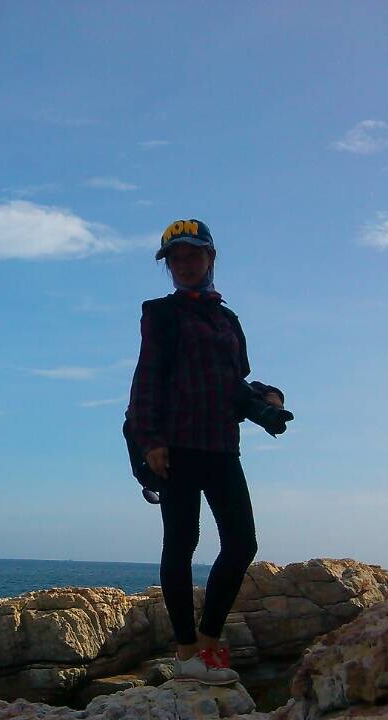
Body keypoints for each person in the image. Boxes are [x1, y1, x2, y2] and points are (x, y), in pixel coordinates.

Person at [125, 219, 286, 685]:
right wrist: (150, 441)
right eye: (176, 259)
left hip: (220, 445)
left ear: (210, 258)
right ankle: (186, 654)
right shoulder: (160, 313)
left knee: (242, 543)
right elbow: (147, 379)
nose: (185, 265)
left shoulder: (227, 320)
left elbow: (233, 385)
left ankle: (208, 640)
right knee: (181, 544)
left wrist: (267, 401)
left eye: (193, 255)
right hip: (175, 447)